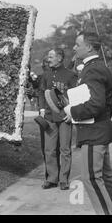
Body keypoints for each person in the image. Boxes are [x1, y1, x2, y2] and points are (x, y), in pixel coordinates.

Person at [63, 31, 112, 215]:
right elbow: (111, 91)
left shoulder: (93, 68)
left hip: (94, 132)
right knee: (106, 177)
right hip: (98, 130)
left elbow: (96, 103)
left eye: (77, 44)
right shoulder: (96, 66)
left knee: (92, 178)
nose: (74, 47)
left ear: (89, 47)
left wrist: (72, 111)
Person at [38, 48, 77, 190]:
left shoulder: (71, 75)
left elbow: (75, 95)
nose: (49, 59)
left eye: (51, 57)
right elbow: (41, 93)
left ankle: (64, 179)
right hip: (49, 117)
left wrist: (72, 112)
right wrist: (42, 109)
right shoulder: (46, 75)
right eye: (48, 57)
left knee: (65, 149)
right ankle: (52, 178)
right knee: (49, 149)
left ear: (60, 58)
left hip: (64, 117)